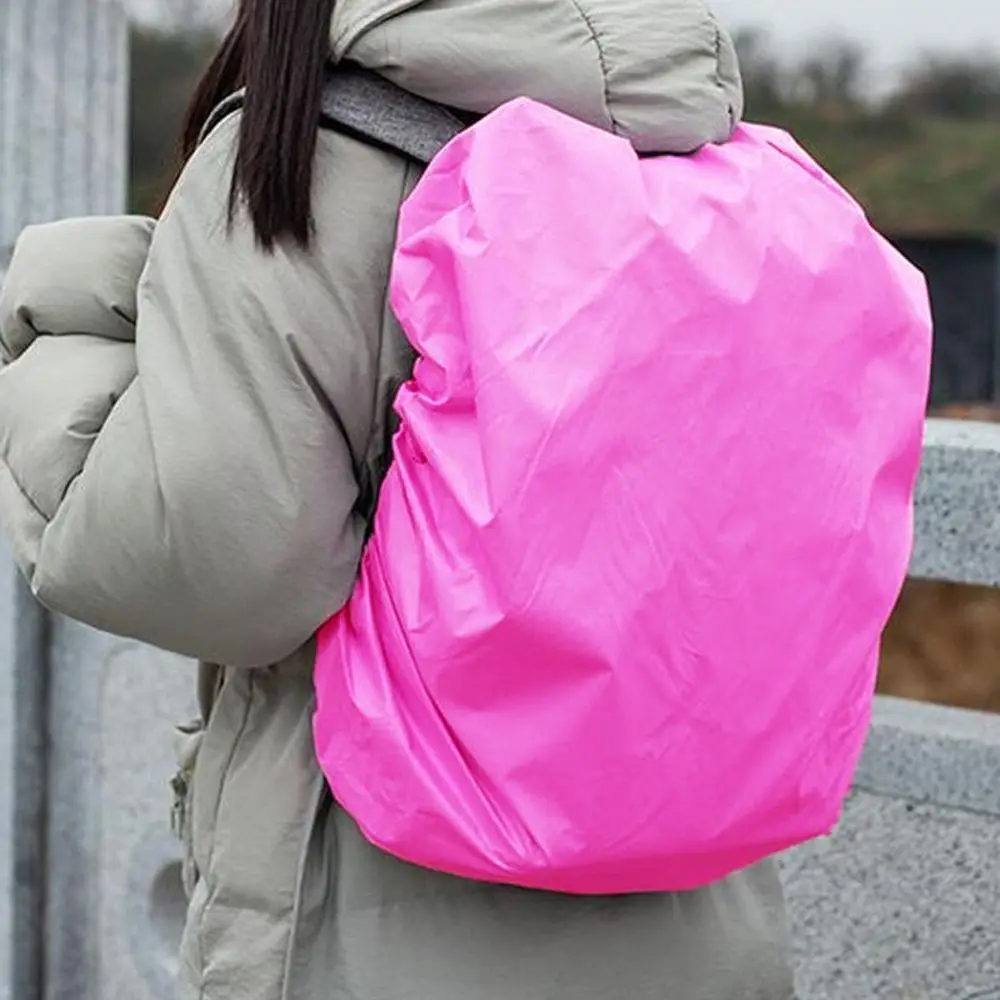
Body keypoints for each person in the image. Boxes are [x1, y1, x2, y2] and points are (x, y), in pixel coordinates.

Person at [0, 0, 795, 997]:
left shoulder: (310, 154)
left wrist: (69, 321)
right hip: (701, 912)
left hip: (382, 924)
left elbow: (217, 568)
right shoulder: (697, 142)